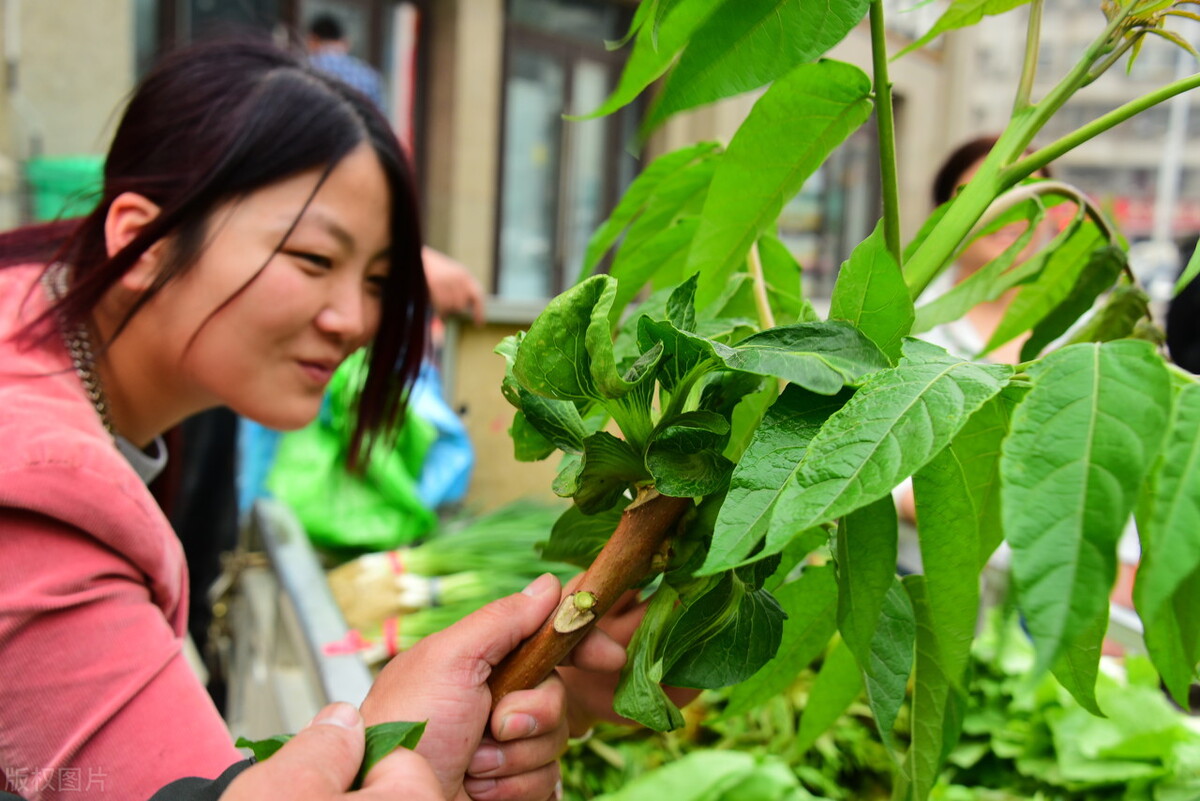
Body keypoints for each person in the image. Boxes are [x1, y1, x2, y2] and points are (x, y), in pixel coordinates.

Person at [0, 38, 631, 801]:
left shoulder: (61, 323)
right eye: (311, 259)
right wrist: (393, 747)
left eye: (377, 279)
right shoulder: (41, 489)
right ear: (141, 239)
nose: (354, 319)